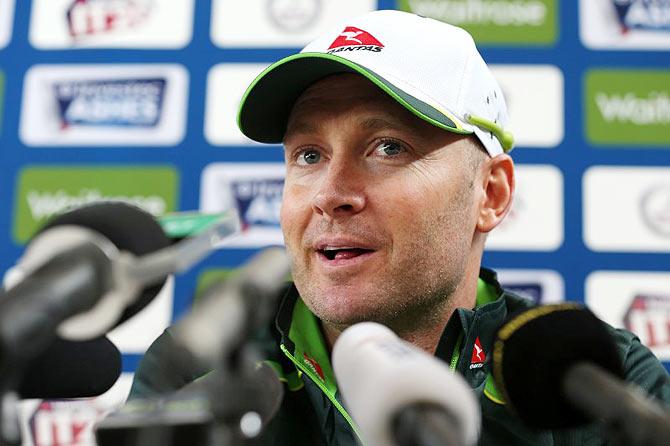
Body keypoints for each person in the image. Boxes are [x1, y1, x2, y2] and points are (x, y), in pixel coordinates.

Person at [129, 10, 670, 445]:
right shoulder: (194, 368)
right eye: (309, 154)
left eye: (388, 147)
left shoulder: (597, 382)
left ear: (491, 193)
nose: (330, 195)